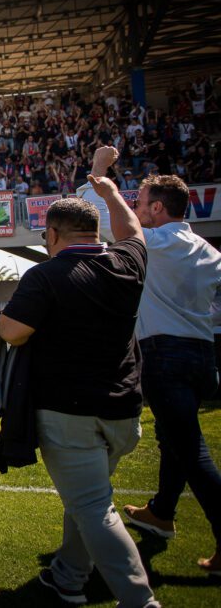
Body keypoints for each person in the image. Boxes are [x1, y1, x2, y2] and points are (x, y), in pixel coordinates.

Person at [0, 147, 159, 607]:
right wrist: (109, 191)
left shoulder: (45, 276)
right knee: (87, 499)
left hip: (70, 412)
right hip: (124, 410)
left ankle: (140, 601)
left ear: (51, 234)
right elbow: (132, 231)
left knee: (91, 506)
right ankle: (68, 577)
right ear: (94, 231)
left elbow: (12, 331)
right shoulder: (128, 262)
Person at [82, 157, 221, 575]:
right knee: (174, 438)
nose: (135, 208)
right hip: (203, 355)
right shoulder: (210, 251)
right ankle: (161, 512)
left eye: (140, 202)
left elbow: (113, 227)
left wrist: (104, 181)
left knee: (190, 448)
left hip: (165, 355)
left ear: (158, 208)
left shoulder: (153, 242)